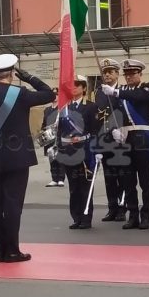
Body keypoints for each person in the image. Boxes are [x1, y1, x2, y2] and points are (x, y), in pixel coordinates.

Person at [0, 54, 55, 262]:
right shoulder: (20, 93)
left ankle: (0, 251)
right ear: (11, 73)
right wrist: (28, 78)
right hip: (17, 158)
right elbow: (48, 94)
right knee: (13, 205)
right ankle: (13, 250)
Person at [101, 59, 149, 230]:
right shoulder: (121, 92)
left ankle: (145, 215)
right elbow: (114, 114)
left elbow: (139, 97)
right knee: (128, 181)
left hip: (142, 140)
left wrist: (115, 93)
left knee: (145, 181)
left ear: (140, 74)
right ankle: (133, 215)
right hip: (125, 141)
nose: (129, 76)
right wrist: (113, 130)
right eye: (127, 74)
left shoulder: (147, 88)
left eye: (133, 73)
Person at [56, 75, 100, 229]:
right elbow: (60, 132)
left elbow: (95, 130)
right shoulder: (64, 109)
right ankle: (76, 217)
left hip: (85, 151)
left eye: (77, 85)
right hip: (69, 152)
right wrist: (59, 150)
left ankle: (86, 218)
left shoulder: (91, 106)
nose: (74, 88)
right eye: (72, 85)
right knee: (73, 187)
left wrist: (97, 150)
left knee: (86, 186)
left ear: (83, 88)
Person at [93, 58, 127, 222]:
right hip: (105, 140)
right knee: (109, 178)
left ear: (117, 74)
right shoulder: (99, 93)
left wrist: (119, 130)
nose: (107, 75)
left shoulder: (122, 90)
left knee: (122, 176)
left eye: (110, 72)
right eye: (105, 72)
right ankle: (112, 208)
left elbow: (126, 114)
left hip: (121, 140)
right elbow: (98, 118)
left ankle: (122, 208)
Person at [41, 92, 65, 187]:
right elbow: (44, 123)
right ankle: (54, 178)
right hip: (49, 137)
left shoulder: (62, 109)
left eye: (56, 94)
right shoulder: (47, 109)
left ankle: (61, 178)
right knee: (52, 158)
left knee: (59, 158)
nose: (54, 97)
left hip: (59, 136)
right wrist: (43, 134)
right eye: (52, 94)